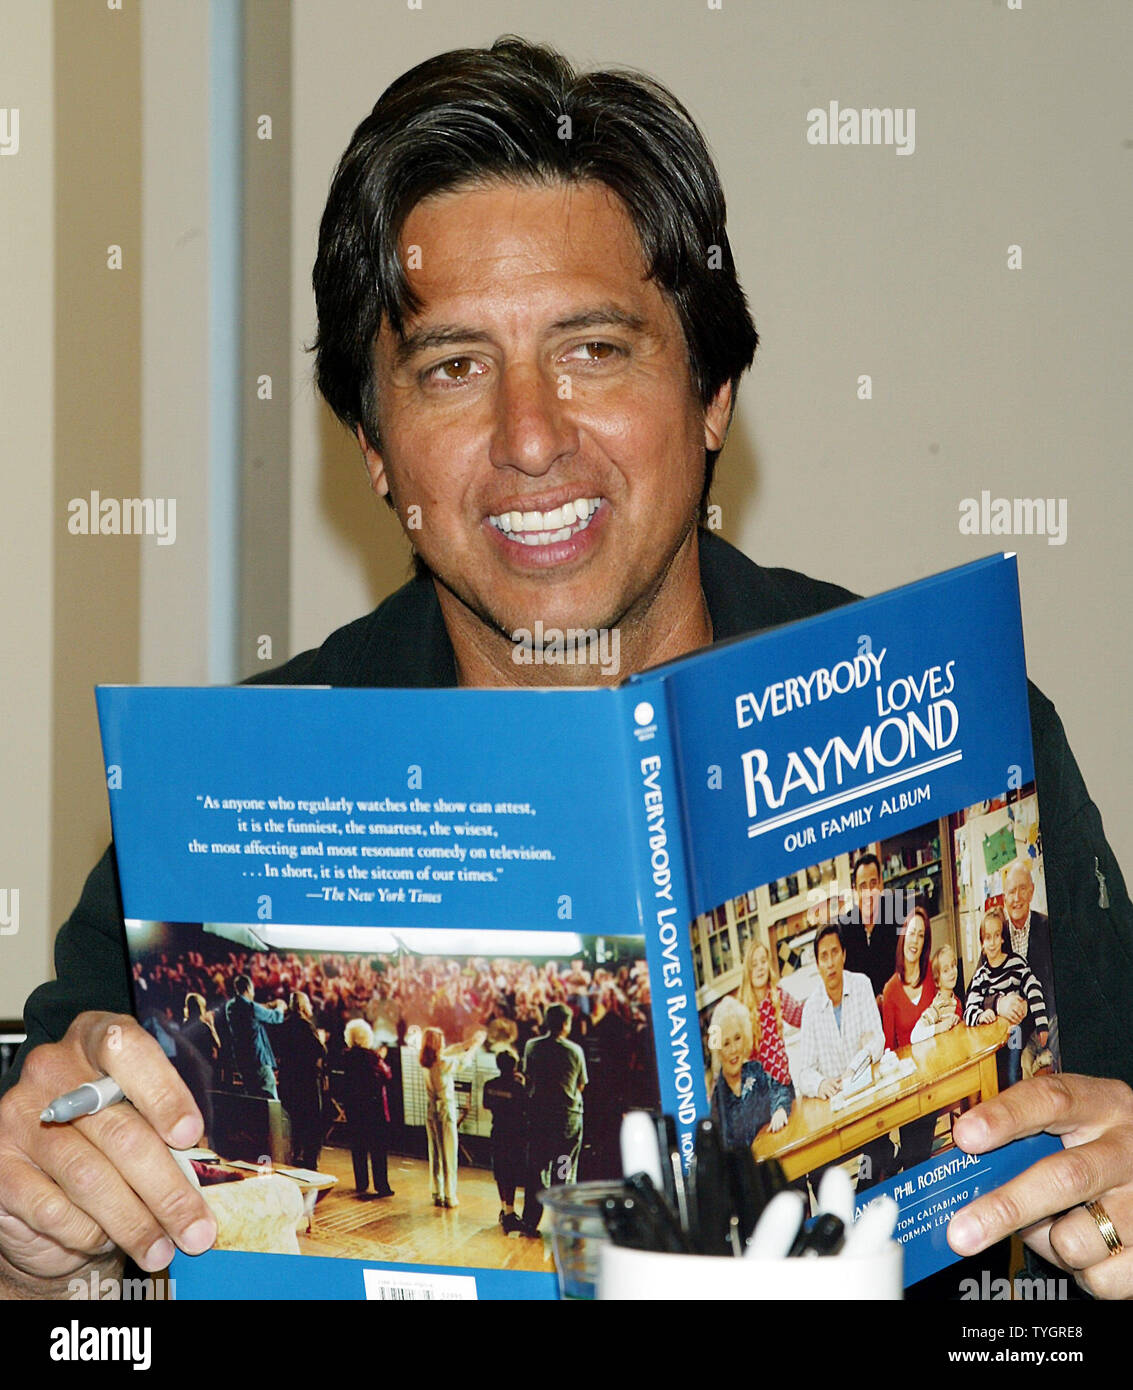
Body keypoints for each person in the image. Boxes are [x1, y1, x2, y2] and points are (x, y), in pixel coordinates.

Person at [0, 36, 1130, 1301]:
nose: (530, 437)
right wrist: (39, 1248)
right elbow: (75, 1291)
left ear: (710, 396)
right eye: (452, 368)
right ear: (374, 447)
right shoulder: (213, 803)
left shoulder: (974, 732)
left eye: (594, 350)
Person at [797, 923, 890, 1189]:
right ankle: (843, 1216)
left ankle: (862, 1199)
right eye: (823, 956)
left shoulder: (861, 985)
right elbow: (804, 1073)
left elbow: (878, 1040)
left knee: (879, 1153)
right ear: (817, 963)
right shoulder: (811, 1009)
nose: (830, 963)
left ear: (844, 955)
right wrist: (821, 1084)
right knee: (817, 1176)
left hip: (865, 1102)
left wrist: (855, 1066)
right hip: (832, 1114)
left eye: (834, 953)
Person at [881, 903, 942, 1171]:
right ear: (902, 936)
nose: (914, 940)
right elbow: (887, 1047)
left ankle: (908, 1163)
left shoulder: (932, 973)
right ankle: (911, 1164)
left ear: (925, 941)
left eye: (920, 934)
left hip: (938, 1071)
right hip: (909, 1082)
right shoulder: (891, 990)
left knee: (915, 1150)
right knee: (916, 1149)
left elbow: (953, 1002)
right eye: (911, 932)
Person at [520, 1003, 587, 1236]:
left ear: (546, 1023)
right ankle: (561, 1223)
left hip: (539, 1118)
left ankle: (530, 1222)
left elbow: (529, 1076)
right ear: (566, 1024)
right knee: (563, 1168)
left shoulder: (531, 1046)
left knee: (536, 1170)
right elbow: (581, 1084)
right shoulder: (575, 1051)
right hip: (568, 1122)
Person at [964, 909, 1048, 1088]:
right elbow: (969, 1007)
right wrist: (979, 1015)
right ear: (982, 943)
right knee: (991, 1077)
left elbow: (1034, 987)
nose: (992, 942)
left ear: (1002, 938)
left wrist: (1042, 1024)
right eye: (987, 937)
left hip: (1014, 1033)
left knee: (1011, 1072)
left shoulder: (1016, 964)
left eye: (996, 936)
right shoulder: (981, 976)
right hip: (990, 1040)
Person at [708, 994, 792, 1151]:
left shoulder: (756, 1070)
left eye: (737, 1038)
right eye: (726, 1043)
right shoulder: (717, 1100)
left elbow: (780, 1089)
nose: (734, 1049)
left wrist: (780, 1109)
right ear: (718, 1051)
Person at [1002, 858, 1059, 1073]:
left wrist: (1031, 1002)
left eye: (1023, 889)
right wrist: (1001, 1003)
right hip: (1014, 1033)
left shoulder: (1047, 928)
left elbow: (1062, 981)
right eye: (1011, 892)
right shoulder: (996, 936)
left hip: (1047, 1023)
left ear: (1032, 891)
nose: (1017, 898)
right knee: (1012, 1074)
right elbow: (976, 989)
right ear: (1004, 897)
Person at [419, 1026, 485, 1209]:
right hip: (445, 1111)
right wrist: (476, 1045)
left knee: (435, 1153)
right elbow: (464, 1061)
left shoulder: (425, 1061)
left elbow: (451, 1051)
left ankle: (437, 1193)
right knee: (449, 1153)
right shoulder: (443, 1063)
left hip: (431, 1111)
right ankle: (450, 1196)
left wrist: (466, 1043)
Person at [274, 992, 328, 1172]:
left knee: (294, 1122)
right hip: (307, 1081)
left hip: (289, 1080)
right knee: (312, 1122)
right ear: (304, 1006)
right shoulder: (306, 1026)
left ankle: (294, 1156)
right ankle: (310, 1162)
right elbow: (320, 1050)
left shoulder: (283, 1025)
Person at [340, 1019, 394, 1197]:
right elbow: (386, 1075)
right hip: (373, 1108)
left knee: (358, 1147)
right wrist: (382, 1058)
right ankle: (381, 1185)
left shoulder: (346, 1056)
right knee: (378, 1149)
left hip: (354, 1107)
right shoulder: (372, 1057)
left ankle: (361, 1183)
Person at [737, 939, 801, 1089]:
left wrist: (822, 1000)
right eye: (754, 964)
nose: (760, 967)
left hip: (783, 1083)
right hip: (760, 1091)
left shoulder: (777, 995)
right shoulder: (741, 1009)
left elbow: (800, 1016)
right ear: (748, 970)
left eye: (763, 961)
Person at [216, 975, 285, 1101]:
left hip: (243, 1061)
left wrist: (268, 1005)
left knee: (253, 1100)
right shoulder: (251, 1008)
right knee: (270, 1101)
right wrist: (280, 1006)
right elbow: (275, 1017)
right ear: (248, 988)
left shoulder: (230, 1006)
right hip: (258, 1060)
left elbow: (253, 1007)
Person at [841, 853, 896, 1009]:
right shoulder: (845, 929)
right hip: (862, 1013)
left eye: (873, 884)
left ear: (881, 884)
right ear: (855, 890)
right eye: (863, 886)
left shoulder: (897, 916)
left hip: (895, 1007)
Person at [481, 1049, 527, 1234]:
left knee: (500, 1172)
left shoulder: (489, 1085)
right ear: (515, 1066)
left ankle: (504, 1208)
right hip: (514, 1135)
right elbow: (524, 1108)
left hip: (497, 1131)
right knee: (512, 1172)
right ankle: (510, 1211)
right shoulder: (518, 1087)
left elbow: (486, 1104)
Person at [910, 946, 964, 1043]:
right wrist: (939, 1027)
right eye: (945, 970)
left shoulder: (955, 1000)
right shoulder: (937, 1007)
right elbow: (914, 1036)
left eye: (953, 965)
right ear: (937, 982)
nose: (952, 972)